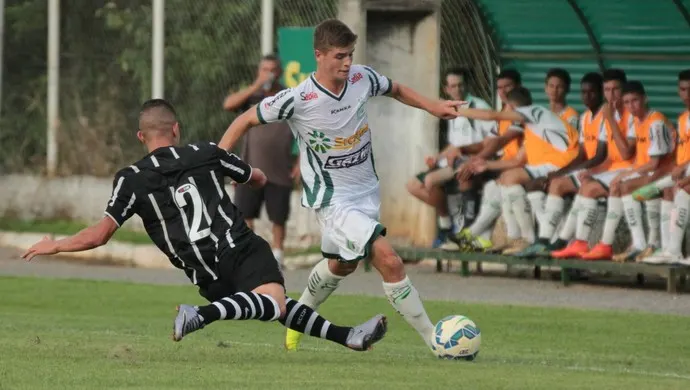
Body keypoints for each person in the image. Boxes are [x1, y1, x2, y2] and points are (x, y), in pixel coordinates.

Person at [21, 99, 387, 351]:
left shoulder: (130, 177)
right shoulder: (206, 153)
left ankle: (348, 337)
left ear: (141, 137)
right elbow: (255, 177)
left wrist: (57, 245)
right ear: (176, 130)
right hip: (237, 245)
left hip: (203, 272)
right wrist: (252, 175)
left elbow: (100, 234)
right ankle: (200, 316)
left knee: (272, 303)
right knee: (273, 302)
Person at [218, 19, 462, 352]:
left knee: (342, 264)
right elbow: (244, 119)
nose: (347, 63)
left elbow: (396, 89)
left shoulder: (362, 77)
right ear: (319, 55)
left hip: (366, 192)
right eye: (340, 56)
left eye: (350, 55)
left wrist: (433, 106)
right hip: (333, 200)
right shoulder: (298, 98)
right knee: (389, 261)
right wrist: (218, 161)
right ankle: (436, 340)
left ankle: (296, 316)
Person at [451, 86, 580, 255]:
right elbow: (518, 160)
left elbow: (492, 115)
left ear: (511, 107)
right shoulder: (533, 125)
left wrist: (458, 111)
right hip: (554, 165)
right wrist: (487, 165)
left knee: (510, 178)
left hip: (567, 164)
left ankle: (525, 238)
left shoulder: (534, 112)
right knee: (505, 178)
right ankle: (514, 237)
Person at [578, 81, 675, 261]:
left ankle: (648, 244)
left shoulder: (656, 122)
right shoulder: (638, 121)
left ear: (645, 99)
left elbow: (655, 164)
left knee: (623, 186)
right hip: (649, 173)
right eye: (627, 102)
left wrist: (627, 173)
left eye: (635, 101)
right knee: (618, 186)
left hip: (664, 174)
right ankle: (634, 244)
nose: (631, 106)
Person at [513, 72, 608, 257]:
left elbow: (599, 156)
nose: (587, 97)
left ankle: (559, 241)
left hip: (602, 171)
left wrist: (568, 171)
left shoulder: (601, 116)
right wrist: (561, 172)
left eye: (592, 92)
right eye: (584, 93)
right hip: (585, 168)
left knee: (560, 185)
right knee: (551, 183)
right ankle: (544, 241)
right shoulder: (586, 117)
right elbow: (582, 153)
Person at [550, 69, 635, 259]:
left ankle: (592, 243)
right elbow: (608, 158)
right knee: (584, 184)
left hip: (631, 171)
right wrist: (592, 171)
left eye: (616, 90)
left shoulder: (630, 116)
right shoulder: (606, 116)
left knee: (588, 189)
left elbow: (626, 153)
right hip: (613, 170)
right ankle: (569, 241)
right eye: (607, 90)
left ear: (624, 90)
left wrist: (610, 119)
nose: (611, 95)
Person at [223, 54, 299, 266]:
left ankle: (277, 256)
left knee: (278, 217)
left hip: (279, 169)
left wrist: (300, 162)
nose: (269, 74)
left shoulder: (288, 96)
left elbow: (306, 129)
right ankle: (250, 254)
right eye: (264, 69)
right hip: (250, 168)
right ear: (258, 72)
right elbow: (228, 105)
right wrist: (256, 85)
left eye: (273, 69)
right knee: (246, 214)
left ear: (280, 72)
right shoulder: (251, 97)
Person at [405, 67, 493, 247]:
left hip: (471, 162)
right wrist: (437, 157)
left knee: (430, 181)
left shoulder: (479, 107)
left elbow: (491, 142)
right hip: (453, 163)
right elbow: (454, 146)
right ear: (446, 89)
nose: (457, 89)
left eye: (460, 85)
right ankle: (447, 226)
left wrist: (464, 151)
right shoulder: (452, 108)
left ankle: (452, 230)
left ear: (467, 85)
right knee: (413, 185)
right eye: (453, 86)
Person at [630, 69, 690, 264]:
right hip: (684, 170)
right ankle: (666, 248)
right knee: (663, 190)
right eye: (683, 89)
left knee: (681, 190)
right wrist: (680, 169)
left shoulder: (656, 121)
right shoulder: (683, 119)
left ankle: (671, 250)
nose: (687, 94)